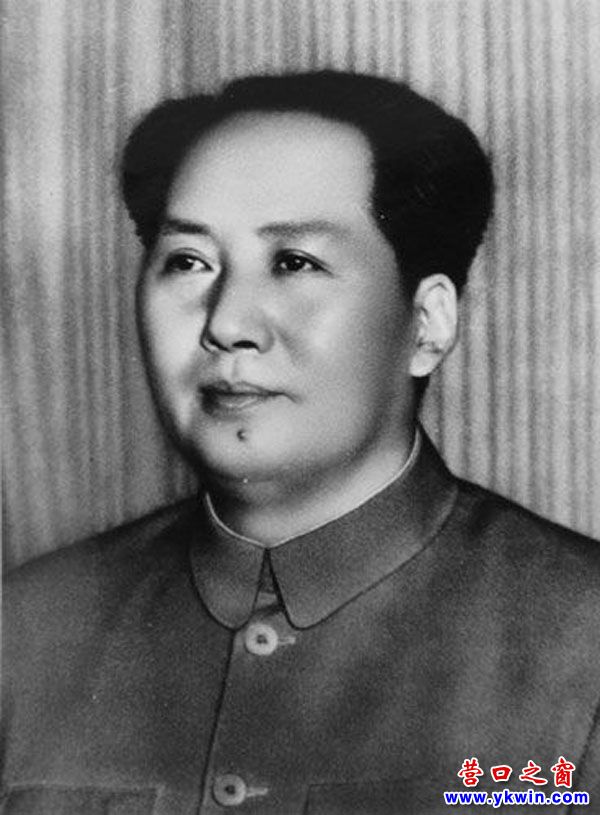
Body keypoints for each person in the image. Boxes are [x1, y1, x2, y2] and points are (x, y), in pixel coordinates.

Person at [2, 71, 599, 815]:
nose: (227, 324)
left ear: (427, 324)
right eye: (188, 261)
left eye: (294, 263)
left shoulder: (583, 637)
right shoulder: (25, 632)